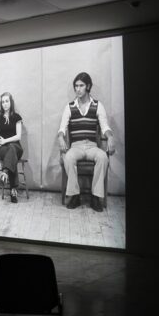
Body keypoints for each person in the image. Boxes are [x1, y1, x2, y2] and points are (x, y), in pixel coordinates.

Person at [57, 72, 116, 212]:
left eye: (81, 85)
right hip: (76, 147)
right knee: (68, 158)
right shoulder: (69, 107)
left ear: (88, 86)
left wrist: (111, 137)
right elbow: (62, 128)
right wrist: (60, 137)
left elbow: (105, 126)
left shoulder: (97, 105)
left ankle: (96, 197)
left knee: (102, 157)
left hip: (91, 147)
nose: (78, 89)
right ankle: (75, 195)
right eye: (76, 86)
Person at [0, 92, 24, 203]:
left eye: (7, 101)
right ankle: (13, 190)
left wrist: (5, 140)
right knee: (11, 155)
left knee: (12, 148)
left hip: (16, 147)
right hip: (3, 150)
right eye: (3, 102)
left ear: (11, 102)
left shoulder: (16, 117)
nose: (5, 104)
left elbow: (18, 136)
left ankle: (4, 172)